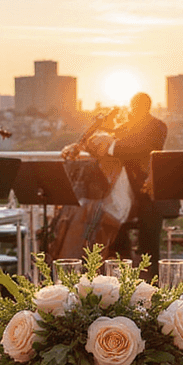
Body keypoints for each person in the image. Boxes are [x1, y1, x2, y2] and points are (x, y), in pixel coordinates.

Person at [62, 92, 170, 276]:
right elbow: (99, 141)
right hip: (121, 196)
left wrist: (110, 146)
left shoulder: (157, 126)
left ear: (146, 107)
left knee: (149, 247)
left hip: (147, 195)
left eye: (138, 107)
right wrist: (78, 146)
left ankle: (152, 285)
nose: (134, 111)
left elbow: (138, 148)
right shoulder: (127, 126)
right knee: (116, 243)